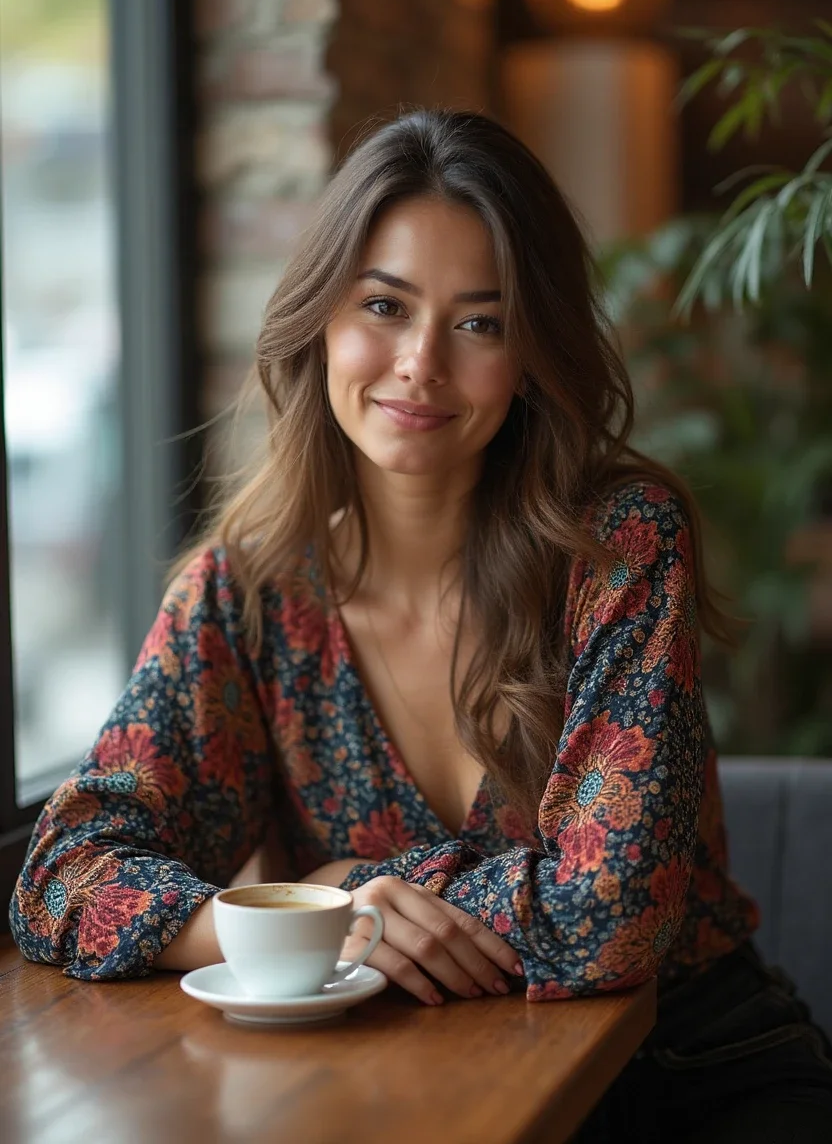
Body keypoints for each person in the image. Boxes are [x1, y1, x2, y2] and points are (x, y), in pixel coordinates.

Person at [10, 109, 832, 1140]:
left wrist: (341, 886)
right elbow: (63, 877)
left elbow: (612, 919)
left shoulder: (616, 547)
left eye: (479, 322)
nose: (420, 364)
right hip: (401, 1087)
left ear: (531, 354)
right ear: (320, 318)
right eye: (385, 306)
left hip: (688, 1068)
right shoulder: (245, 595)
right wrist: (313, 920)